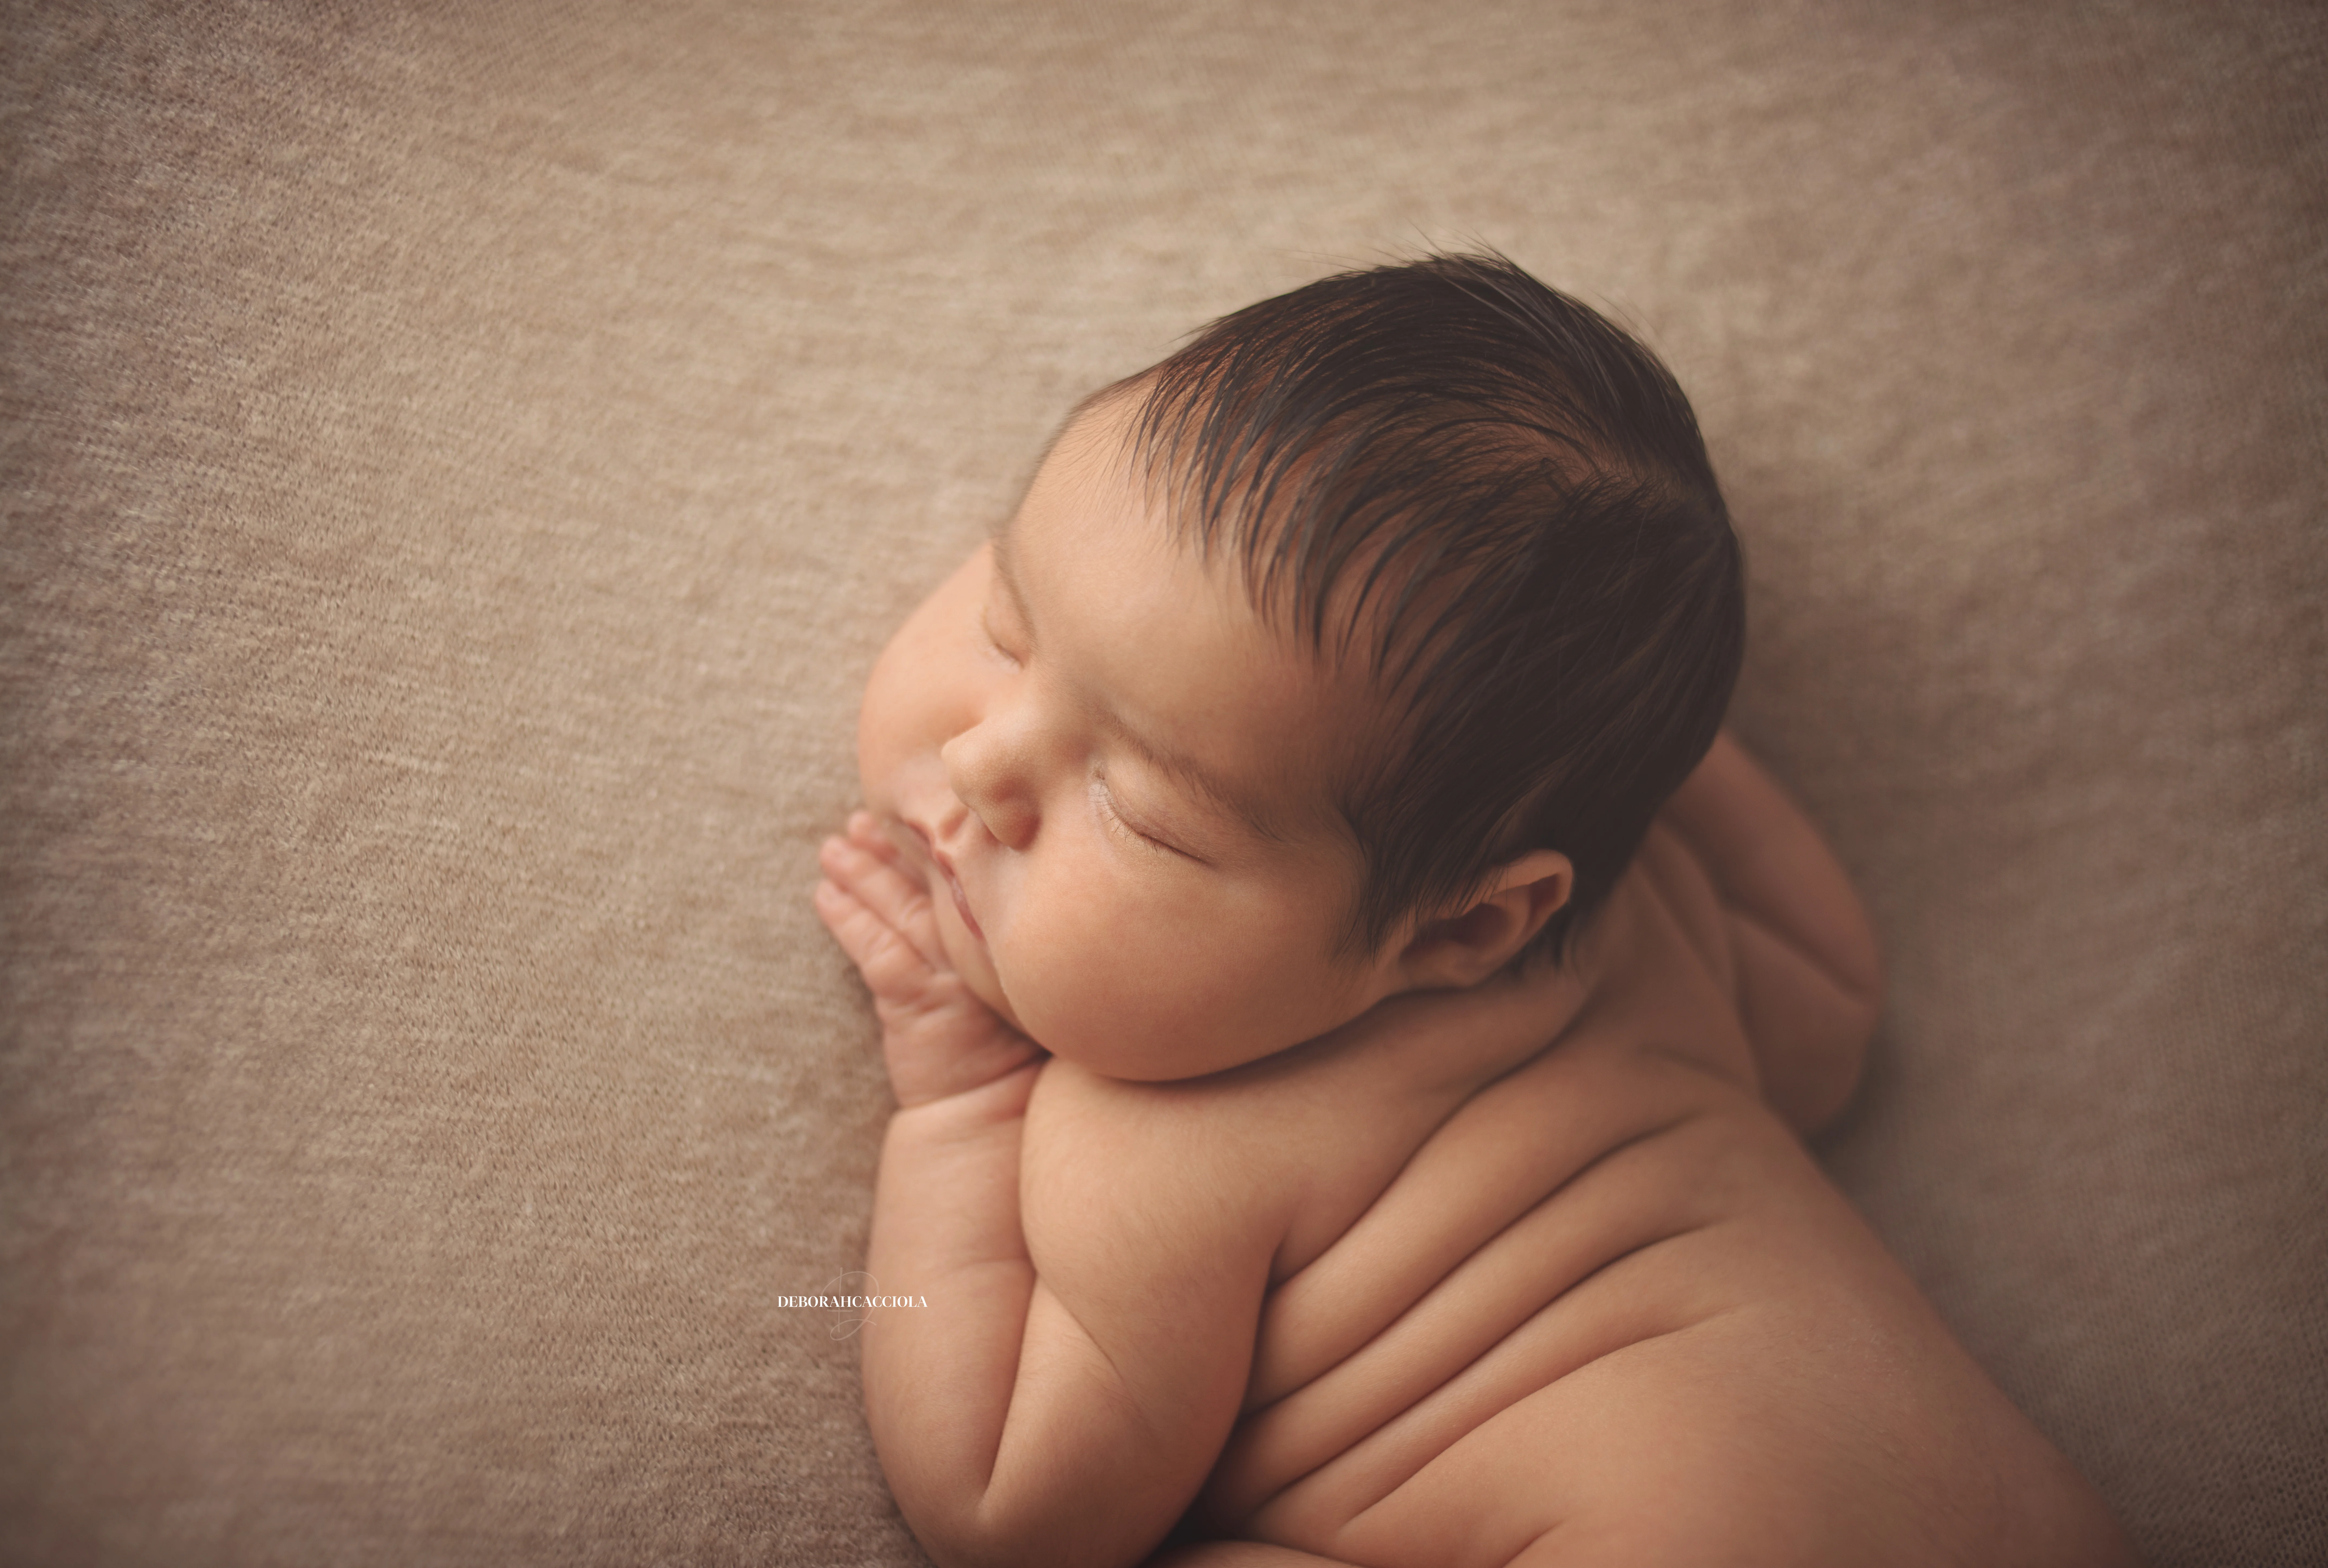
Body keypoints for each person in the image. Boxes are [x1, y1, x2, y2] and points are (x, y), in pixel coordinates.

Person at [813, 253, 2137, 1568]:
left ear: (1459, 929)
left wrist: (959, 1106)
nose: (981, 765)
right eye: (1009, 625)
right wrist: (1604, 757)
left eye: (1144, 812)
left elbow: (1008, 1511)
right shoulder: (1649, 933)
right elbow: (1834, 1017)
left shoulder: (1151, 1151)